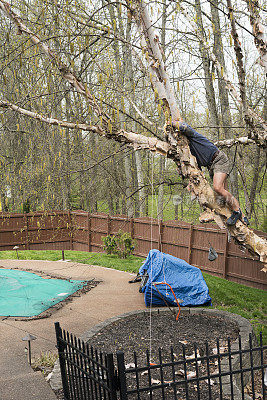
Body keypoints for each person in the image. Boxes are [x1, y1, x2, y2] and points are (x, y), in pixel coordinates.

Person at [171, 120, 249, 226]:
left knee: (218, 188)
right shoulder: (189, 151)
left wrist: (173, 123)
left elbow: (184, 126)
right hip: (212, 166)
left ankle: (237, 211)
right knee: (221, 197)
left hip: (218, 159)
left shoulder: (193, 136)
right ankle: (243, 217)